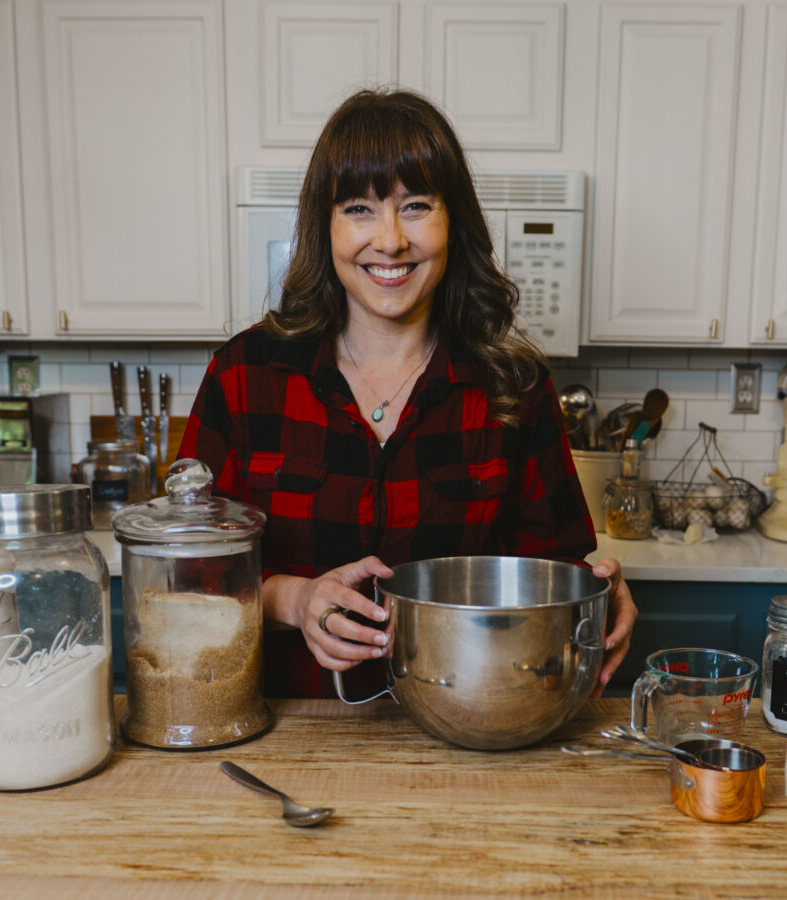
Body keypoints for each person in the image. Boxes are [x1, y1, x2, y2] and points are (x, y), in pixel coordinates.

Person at [178, 87, 637, 698]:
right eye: (359, 209)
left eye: (416, 205)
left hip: (464, 721)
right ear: (324, 227)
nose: (390, 240)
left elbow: (552, 572)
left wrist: (597, 595)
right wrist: (294, 598)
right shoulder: (244, 376)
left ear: (454, 221)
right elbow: (185, 577)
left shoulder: (514, 387)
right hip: (283, 725)